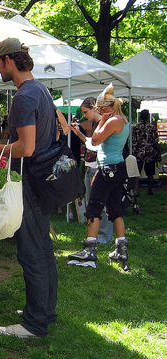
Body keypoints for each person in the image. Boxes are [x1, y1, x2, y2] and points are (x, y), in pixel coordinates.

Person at [0, 38, 58, 338]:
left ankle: (34, 324)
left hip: (30, 182)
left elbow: (25, 148)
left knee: (32, 252)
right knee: (44, 249)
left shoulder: (24, 97)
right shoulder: (40, 90)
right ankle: (44, 312)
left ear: (10, 60)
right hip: (42, 181)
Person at [68, 83, 130, 271]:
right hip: (116, 169)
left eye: (100, 108)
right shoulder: (123, 121)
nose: (98, 111)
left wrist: (102, 120)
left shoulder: (112, 121)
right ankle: (121, 248)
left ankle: (90, 250)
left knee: (94, 208)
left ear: (105, 107)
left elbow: (95, 139)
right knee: (114, 210)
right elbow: (94, 144)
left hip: (107, 170)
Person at [71, 97, 114, 244]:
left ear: (95, 108)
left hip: (99, 167)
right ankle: (96, 235)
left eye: (86, 111)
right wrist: (79, 135)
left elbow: (98, 146)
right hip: (91, 166)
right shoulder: (97, 123)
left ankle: (104, 236)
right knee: (92, 205)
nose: (84, 115)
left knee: (100, 204)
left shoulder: (104, 124)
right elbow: (93, 144)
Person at [132, 109, 161, 196]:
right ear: (148, 116)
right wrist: (158, 152)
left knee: (137, 172)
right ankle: (150, 190)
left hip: (138, 152)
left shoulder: (136, 127)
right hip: (150, 153)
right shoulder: (151, 127)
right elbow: (155, 141)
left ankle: (136, 191)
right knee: (150, 173)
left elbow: (132, 140)